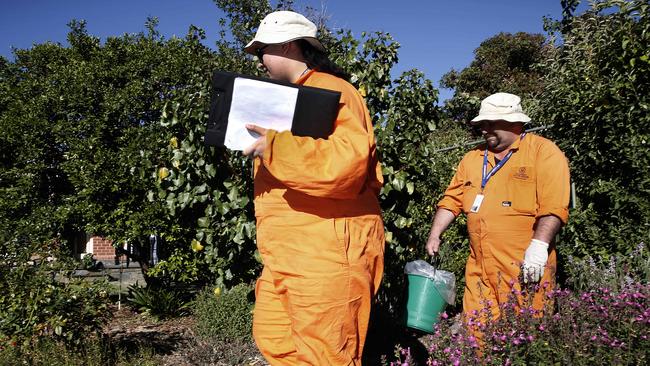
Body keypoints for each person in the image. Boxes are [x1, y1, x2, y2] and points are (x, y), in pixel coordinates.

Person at [241, 11, 385, 365]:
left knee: (326, 354)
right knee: (275, 339)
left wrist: (274, 147)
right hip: (285, 252)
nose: (258, 60)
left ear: (289, 46)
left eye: (262, 50)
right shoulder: (284, 100)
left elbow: (345, 166)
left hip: (327, 249)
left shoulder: (334, 90)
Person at [425, 92, 570, 323]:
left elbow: (554, 206)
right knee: (478, 333)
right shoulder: (472, 158)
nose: (484, 128)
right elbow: (451, 200)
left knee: (525, 333)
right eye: (483, 123)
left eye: (491, 122)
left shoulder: (544, 152)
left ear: (515, 122)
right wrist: (435, 234)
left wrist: (539, 247)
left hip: (523, 268)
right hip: (479, 271)